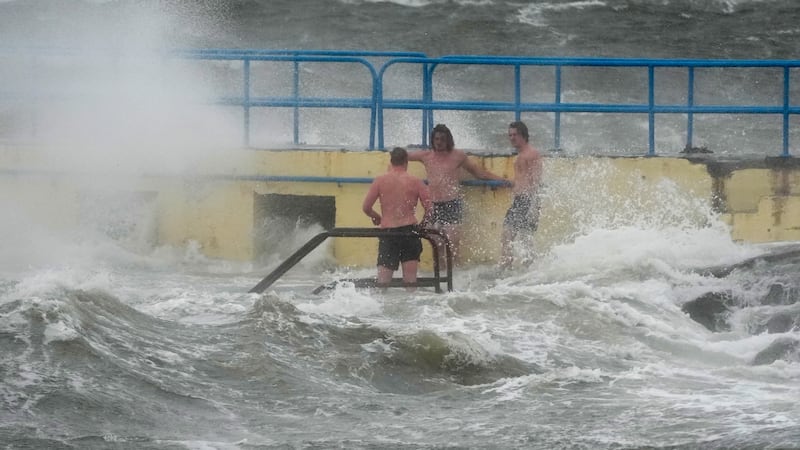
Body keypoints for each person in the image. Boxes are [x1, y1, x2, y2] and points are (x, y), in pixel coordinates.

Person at [407, 124, 509, 265]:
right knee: (437, 246)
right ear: (432, 140)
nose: (439, 142)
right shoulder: (426, 156)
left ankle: (456, 281)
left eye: (442, 139)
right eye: (436, 139)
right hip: (433, 206)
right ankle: (441, 280)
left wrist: (499, 180)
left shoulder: (457, 156)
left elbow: (478, 172)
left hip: (451, 204)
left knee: (453, 246)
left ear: (448, 139)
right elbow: (401, 157)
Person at [362, 147, 433, 288]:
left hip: (389, 233)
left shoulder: (380, 181)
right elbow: (430, 209)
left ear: (391, 161)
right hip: (410, 232)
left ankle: (381, 308)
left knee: (383, 281)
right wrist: (422, 226)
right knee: (410, 281)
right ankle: (413, 308)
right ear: (406, 161)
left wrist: (378, 217)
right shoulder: (415, 181)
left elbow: (366, 207)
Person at [500, 121, 543, 270]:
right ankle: (520, 270)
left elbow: (536, 181)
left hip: (527, 201)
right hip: (521, 200)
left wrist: (534, 206)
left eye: (515, 135)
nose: (512, 138)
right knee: (518, 238)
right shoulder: (522, 155)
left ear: (523, 135)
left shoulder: (532, 153)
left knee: (512, 236)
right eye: (510, 135)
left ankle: (508, 268)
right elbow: (524, 179)